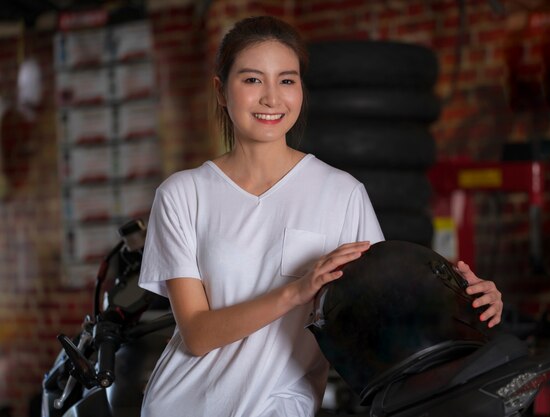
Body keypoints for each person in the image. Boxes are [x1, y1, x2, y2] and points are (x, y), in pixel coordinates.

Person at [138, 15, 503, 417]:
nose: (272, 98)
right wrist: (296, 292)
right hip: (182, 405)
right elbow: (197, 334)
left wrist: (465, 302)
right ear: (221, 91)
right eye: (252, 79)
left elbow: (387, 306)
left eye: (287, 80)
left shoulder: (341, 193)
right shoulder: (182, 195)